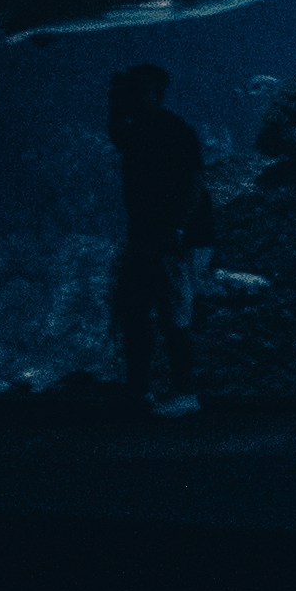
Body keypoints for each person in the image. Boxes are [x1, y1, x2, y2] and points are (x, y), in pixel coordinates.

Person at [105, 61, 209, 414]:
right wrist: (115, 102)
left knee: (174, 316)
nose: (134, 95)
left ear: (156, 93)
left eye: (141, 89)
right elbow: (117, 136)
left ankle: (185, 392)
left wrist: (178, 228)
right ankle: (139, 390)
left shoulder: (175, 130)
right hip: (144, 236)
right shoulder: (135, 130)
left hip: (170, 238)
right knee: (134, 312)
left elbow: (195, 183)